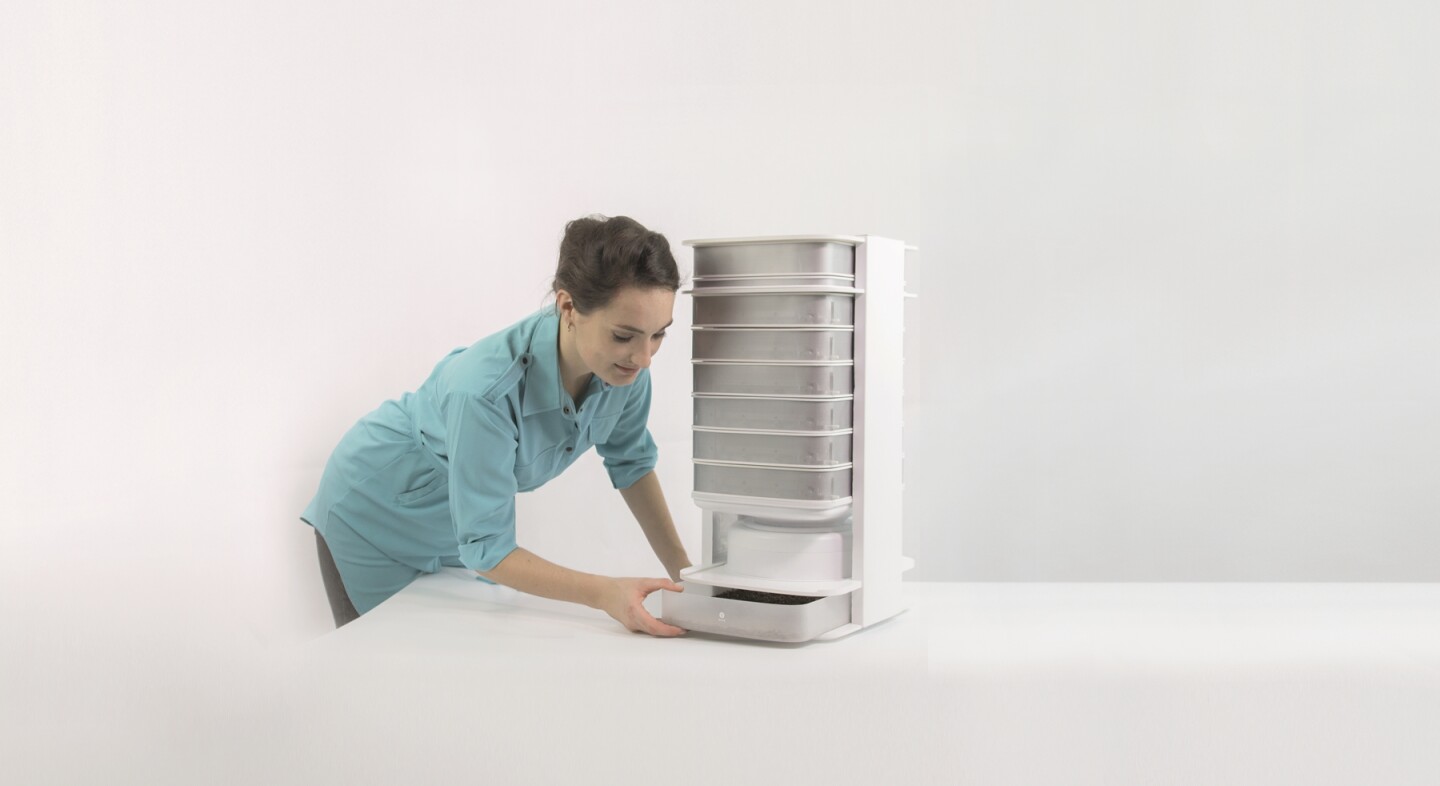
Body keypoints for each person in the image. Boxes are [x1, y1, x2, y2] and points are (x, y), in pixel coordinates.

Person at [300, 214, 691, 636]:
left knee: (472, 661)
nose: (644, 357)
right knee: (380, 670)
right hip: (370, 510)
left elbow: (631, 462)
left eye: (659, 335)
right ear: (568, 307)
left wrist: (688, 579)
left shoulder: (626, 370)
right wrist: (605, 594)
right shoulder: (485, 392)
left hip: (459, 524)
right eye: (624, 336)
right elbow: (488, 549)